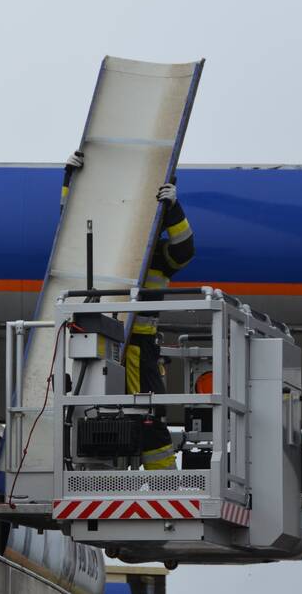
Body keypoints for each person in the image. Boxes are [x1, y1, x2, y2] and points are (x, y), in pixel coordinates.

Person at [64, 151, 195, 470]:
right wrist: (72, 181)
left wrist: (175, 208)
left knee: (148, 419)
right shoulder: (103, 244)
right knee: (94, 419)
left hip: (137, 348)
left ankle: (164, 487)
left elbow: (185, 249)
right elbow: (70, 227)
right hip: (97, 345)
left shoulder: (160, 254)